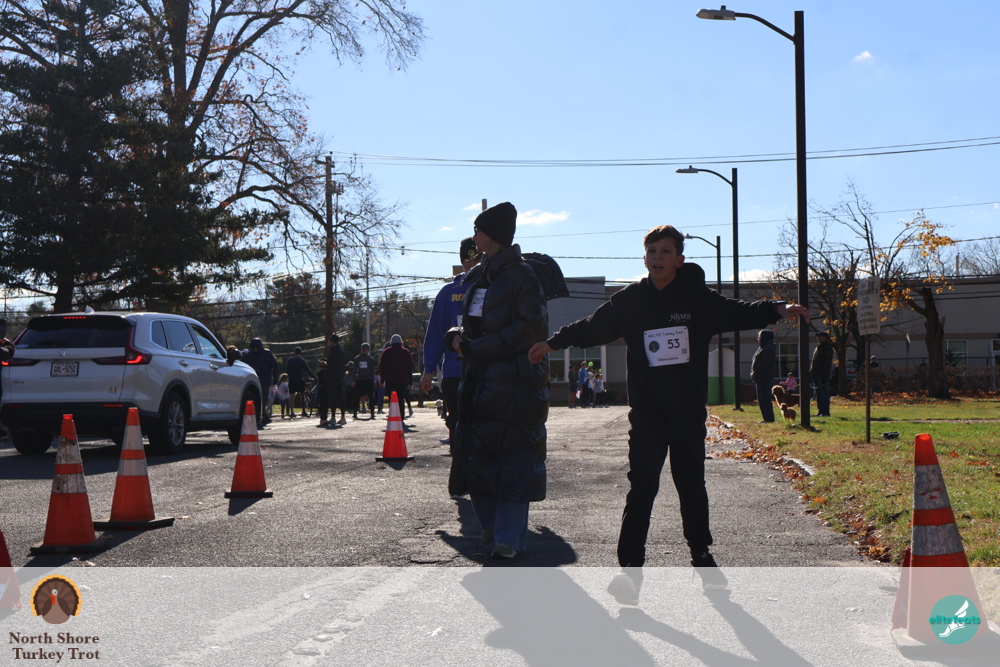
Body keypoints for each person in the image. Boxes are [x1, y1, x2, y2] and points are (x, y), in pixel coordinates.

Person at [528, 224, 809, 601]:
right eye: (651, 251)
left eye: (665, 251)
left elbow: (737, 311)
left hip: (687, 410)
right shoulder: (630, 301)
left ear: (679, 259)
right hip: (647, 412)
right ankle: (630, 570)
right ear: (644, 258)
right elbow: (592, 328)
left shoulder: (696, 299)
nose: (657, 258)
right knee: (642, 486)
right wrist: (552, 343)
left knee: (690, 482)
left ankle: (701, 553)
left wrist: (777, 309)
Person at [448, 201, 549, 560]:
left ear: (492, 235)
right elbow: (470, 324)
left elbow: (529, 329)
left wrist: (476, 348)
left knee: (514, 464)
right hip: (479, 385)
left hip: (516, 388)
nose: (474, 237)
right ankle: (491, 529)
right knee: (480, 461)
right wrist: (455, 337)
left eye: (478, 230)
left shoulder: (523, 276)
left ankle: (508, 538)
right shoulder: (480, 276)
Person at [421, 237, 482, 446]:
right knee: (458, 424)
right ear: (463, 262)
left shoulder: (492, 287)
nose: (473, 265)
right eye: (469, 260)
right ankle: (460, 458)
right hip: (455, 372)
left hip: (485, 371)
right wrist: (428, 368)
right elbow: (436, 332)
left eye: (478, 260)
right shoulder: (448, 292)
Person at [378, 334, 415, 420]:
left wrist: (382, 380)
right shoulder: (406, 352)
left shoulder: (386, 352)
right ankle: (401, 417)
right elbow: (410, 368)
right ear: (401, 342)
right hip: (402, 380)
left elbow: (382, 367)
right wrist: (410, 382)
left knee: (392, 400)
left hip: (390, 380)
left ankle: (393, 416)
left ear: (391, 342)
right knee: (401, 399)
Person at [244, 338, 279, 427]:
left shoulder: (267, 354)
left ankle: (261, 419)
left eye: (257, 347)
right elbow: (243, 364)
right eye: (253, 347)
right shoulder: (250, 355)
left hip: (264, 381)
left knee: (263, 400)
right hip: (253, 381)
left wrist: (275, 379)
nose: (255, 349)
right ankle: (263, 418)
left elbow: (275, 366)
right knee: (255, 400)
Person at [750, 330, 777, 423]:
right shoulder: (763, 347)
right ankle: (766, 418)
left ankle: (769, 418)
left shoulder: (768, 348)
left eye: (760, 336)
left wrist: (755, 372)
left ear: (765, 338)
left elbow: (765, 363)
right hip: (759, 377)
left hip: (764, 377)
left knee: (765, 398)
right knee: (761, 399)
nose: (758, 338)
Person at [286, 347, 316, 417]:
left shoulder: (290, 360)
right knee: (302, 396)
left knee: (292, 396)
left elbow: (288, 370)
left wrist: (289, 378)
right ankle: (303, 410)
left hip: (292, 380)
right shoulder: (302, 361)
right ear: (300, 353)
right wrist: (314, 376)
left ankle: (292, 412)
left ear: (294, 353)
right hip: (300, 380)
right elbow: (308, 370)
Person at [325, 333, 348, 427]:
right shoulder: (341, 351)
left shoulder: (333, 350)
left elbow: (330, 364)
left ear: (332, 341)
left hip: (332, 376)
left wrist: (325, 364)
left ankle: (333, 417)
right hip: (340, 376)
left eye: (329, 340)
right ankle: (343, 417)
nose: (328, 342)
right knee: (340, 396)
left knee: (333, 397)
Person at [810, 331, 834, 417]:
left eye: (819, 336)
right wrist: (811, 373)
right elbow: (814, 363)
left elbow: (827, 364)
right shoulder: (819, 348)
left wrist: (825, 376)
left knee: (824, 394)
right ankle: (820, 411)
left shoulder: (827, 348)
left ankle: (825, 412)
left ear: (824, 338)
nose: (818, 338)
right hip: (816, 374)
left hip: (822, 375)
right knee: (818, 394)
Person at [352, 343, 377, 420]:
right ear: (363, 349)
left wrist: (373, 379)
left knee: (371, 397)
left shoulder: (370, 359)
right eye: (367, 349)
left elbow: (373, 370)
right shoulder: (357, 359)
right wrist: (354, 380)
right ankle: (355, 412)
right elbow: (354, 370)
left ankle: (372, 412)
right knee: (357, 397)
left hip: (368, 380)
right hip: (360, 380)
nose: (368, 350)